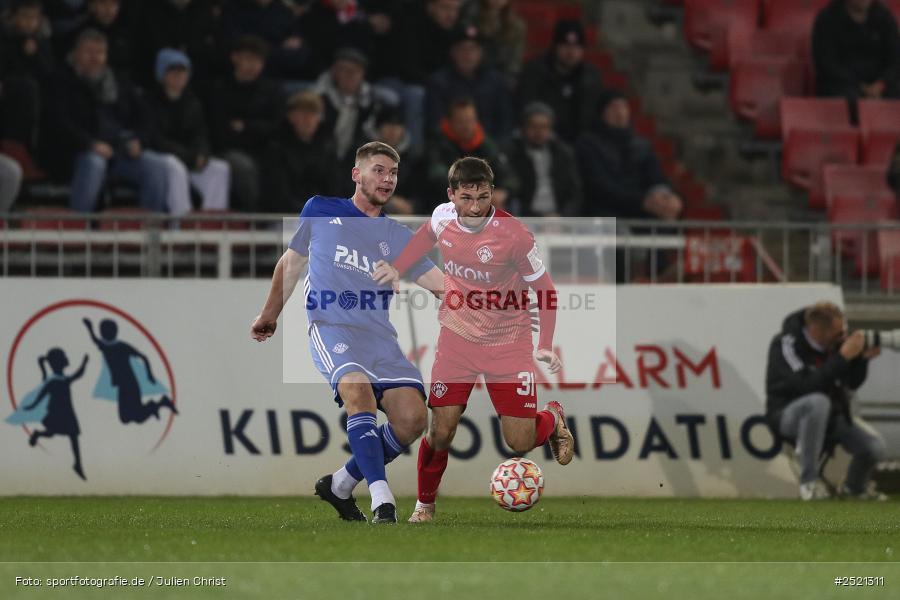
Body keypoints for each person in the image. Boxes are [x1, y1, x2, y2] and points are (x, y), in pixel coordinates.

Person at [372, 156, 575, 523]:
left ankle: (551, 418)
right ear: (452, 195)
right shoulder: (442, 217)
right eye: (467, 198)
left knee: (519, 442)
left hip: (508, 344)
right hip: (458, 340)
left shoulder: (514, 235)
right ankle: (425, 505)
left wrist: (545, 343)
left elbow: (545, 290)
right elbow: (422, 240)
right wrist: (396, 268)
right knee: (442, 430)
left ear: (492, 192)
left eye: (484, 197)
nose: (476, 207)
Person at [249, 141, 444, 524]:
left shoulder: (397, 235)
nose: (387, 179)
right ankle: (381, 498)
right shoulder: (320, 209)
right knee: (359, 392)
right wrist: (269, 315)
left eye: (393, 173)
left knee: (412, 420)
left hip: (379, 338)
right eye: (378, 170)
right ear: (357, 175)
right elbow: (290, 264)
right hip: (332, 325)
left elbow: (439, 283)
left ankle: (339, 485)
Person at [765, 301, 887, 500]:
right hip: (786, 414)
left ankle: (854, 490)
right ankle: (809, 482)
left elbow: (852, 383)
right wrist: (842, 357)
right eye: (837, 333)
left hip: (830, 416)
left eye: (844, 331)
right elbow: (806, 386)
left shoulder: (834, 344)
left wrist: (862, 359)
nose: (842, 337)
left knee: (874, 448)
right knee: (817, 402)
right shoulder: (786, 345)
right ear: (816, 330)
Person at [48, 29, 173, 213]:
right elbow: (59, 122)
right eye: (89, 52)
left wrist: (140, 140)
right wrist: (90, 144)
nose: (95, 57)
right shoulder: (61, 80)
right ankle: (80, 231)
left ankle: (148, 233)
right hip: (77, 152)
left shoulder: (119, 81)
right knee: (94, 163)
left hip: (119, 151)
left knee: (157, 167)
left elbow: (146, 117)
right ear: (75, 54)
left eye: (100, 52)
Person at [146, 48, 231, 215]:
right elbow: (155, 138)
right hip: (161, 158)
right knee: (175, 167)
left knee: (220, 168)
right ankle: (181, 225)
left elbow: (201, 134)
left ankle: (213, 227)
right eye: (173, 71)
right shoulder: (148, 101)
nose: (179, 76)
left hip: (189, 158)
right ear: (162, 74)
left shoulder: (193, 102)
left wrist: (202, 154)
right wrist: (190, 157)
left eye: (183, 71)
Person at [575, 90, 682, 219]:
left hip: (641, 209)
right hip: (605, 212)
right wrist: (641, 201)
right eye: (614, 107)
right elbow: (600, 187)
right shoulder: (588, 144)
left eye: (624, 107)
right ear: (602, 112)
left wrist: (665, 196)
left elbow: (656, 177)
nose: (620, 113)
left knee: (669, 214)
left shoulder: (641, 145)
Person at [210, 34, 283, 211]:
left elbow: (277, 127)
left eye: (258, 61)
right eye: (248, 59)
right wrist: (255, 130)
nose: (253, 66)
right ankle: (257, 218)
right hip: (229, 151)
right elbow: (219, 130)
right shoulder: (219, 89)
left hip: (264, 149)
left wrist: (246, 127)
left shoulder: (271, 90)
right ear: (235, 58)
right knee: (243, 166)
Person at [517, 19, 604, 144]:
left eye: (576, 47)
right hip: (542, 140)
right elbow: (526, 108)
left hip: (581, 143)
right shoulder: (536, 71)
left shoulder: (591, 77)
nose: (571, 51)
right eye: (565, 45)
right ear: (555, 47)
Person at [425, 96, 516, 211]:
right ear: (450, 122)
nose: (466, 126)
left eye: (470, 120)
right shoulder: (437, 143)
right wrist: (473, 193)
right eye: (461, 121)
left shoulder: (486, 144)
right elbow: (436, 176)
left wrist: (502, 192)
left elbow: (510, 177)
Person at [812, 0, 900, 119]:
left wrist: (881, 84)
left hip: (880, 85)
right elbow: (826, 64)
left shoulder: (884, 17)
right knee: (846, 98)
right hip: (842, 85)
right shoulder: (828, 19)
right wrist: (860, 87)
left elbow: (895, 60)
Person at [426, 24, 513, 141]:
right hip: (451, 148)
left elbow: (505, 121)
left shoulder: (495, 80)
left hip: (490, 145)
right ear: (453, 52)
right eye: (462, 49)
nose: (468, 55)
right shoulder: (439, 82)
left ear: (480, 53)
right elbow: (436, 124)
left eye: (473, 49)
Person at [312, 47, 397, 166]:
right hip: (320, 159)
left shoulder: (371, 102)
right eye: (344, 70)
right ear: (335, 72)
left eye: (354, 71)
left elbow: (371, 133)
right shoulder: (318, 98)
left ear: (362, 74)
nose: (349, 75)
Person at [83, 317, 178, 424]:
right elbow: (96, 340)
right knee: (128, 418)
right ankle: (155, 405)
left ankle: (157, 404)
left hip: (130, 385)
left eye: (104, 330)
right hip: (123, 385)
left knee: (133, 417)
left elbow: (143, 357)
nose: (102, 333)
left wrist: (149, 375)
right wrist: (90, 328)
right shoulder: (105, 346)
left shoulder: (122, 346)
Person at [261, 90, 338, 213]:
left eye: (313, 113)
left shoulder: (327, 150)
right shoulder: (276, 149)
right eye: (303, 113)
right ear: (290, 117)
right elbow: (279, 196)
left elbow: (334, 190)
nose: (308, 118)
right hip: (284, 217)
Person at [504, 102, 583, 216]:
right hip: (525, 219)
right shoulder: (512, 154)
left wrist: (562, 216)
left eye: (544, 127)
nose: (539, 132)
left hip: (560, 219)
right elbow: (513, 193)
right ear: (523, 128)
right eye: (534, 126)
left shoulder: (564, 154)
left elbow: (575, 194)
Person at [20, 349, 89, 480]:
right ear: (58, 362)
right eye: (64, 356)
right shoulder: (54, 381)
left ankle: (77, 464)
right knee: (59, 433)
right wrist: (32, 406)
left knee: (71, 435)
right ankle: (38, 434)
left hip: (67, 412)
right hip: (57, 413)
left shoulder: (62, 379)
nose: (66, 358)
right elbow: (41, 395)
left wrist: (84, 364)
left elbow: (77, 375)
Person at [0, 0, 53, 154]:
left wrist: (35, 55)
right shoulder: (4, 38)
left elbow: (49, 74)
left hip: (38, 93)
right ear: (13, 17)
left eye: (34, 18)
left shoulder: (41, 42)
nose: (30, 22)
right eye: (25, 17)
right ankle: (16, 148)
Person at [460, 0, 525, 84]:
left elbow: (515, 58)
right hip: (474, 71)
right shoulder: (472, 16)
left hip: (501, 74)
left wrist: (510, 77)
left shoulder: (516, 26)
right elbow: (468, 36)